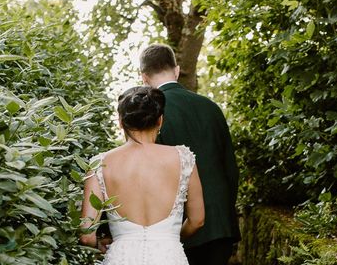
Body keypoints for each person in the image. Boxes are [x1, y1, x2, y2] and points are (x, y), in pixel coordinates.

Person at [80, 86, 205, 265]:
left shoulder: (99, 164)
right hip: (169, 256)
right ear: (160, 120)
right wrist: (170, 239)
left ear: (121, 122)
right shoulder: (183, 158)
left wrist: (100, 244)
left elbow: (86, 236)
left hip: (121, 257)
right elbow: (197, 220)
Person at [140, 44, 240, 265]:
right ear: (176, 71)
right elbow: (231, 170)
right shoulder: (211, 107)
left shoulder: (152, 114)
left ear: (144, 78)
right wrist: (222, 210)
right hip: (220, 225)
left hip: (179, 229)